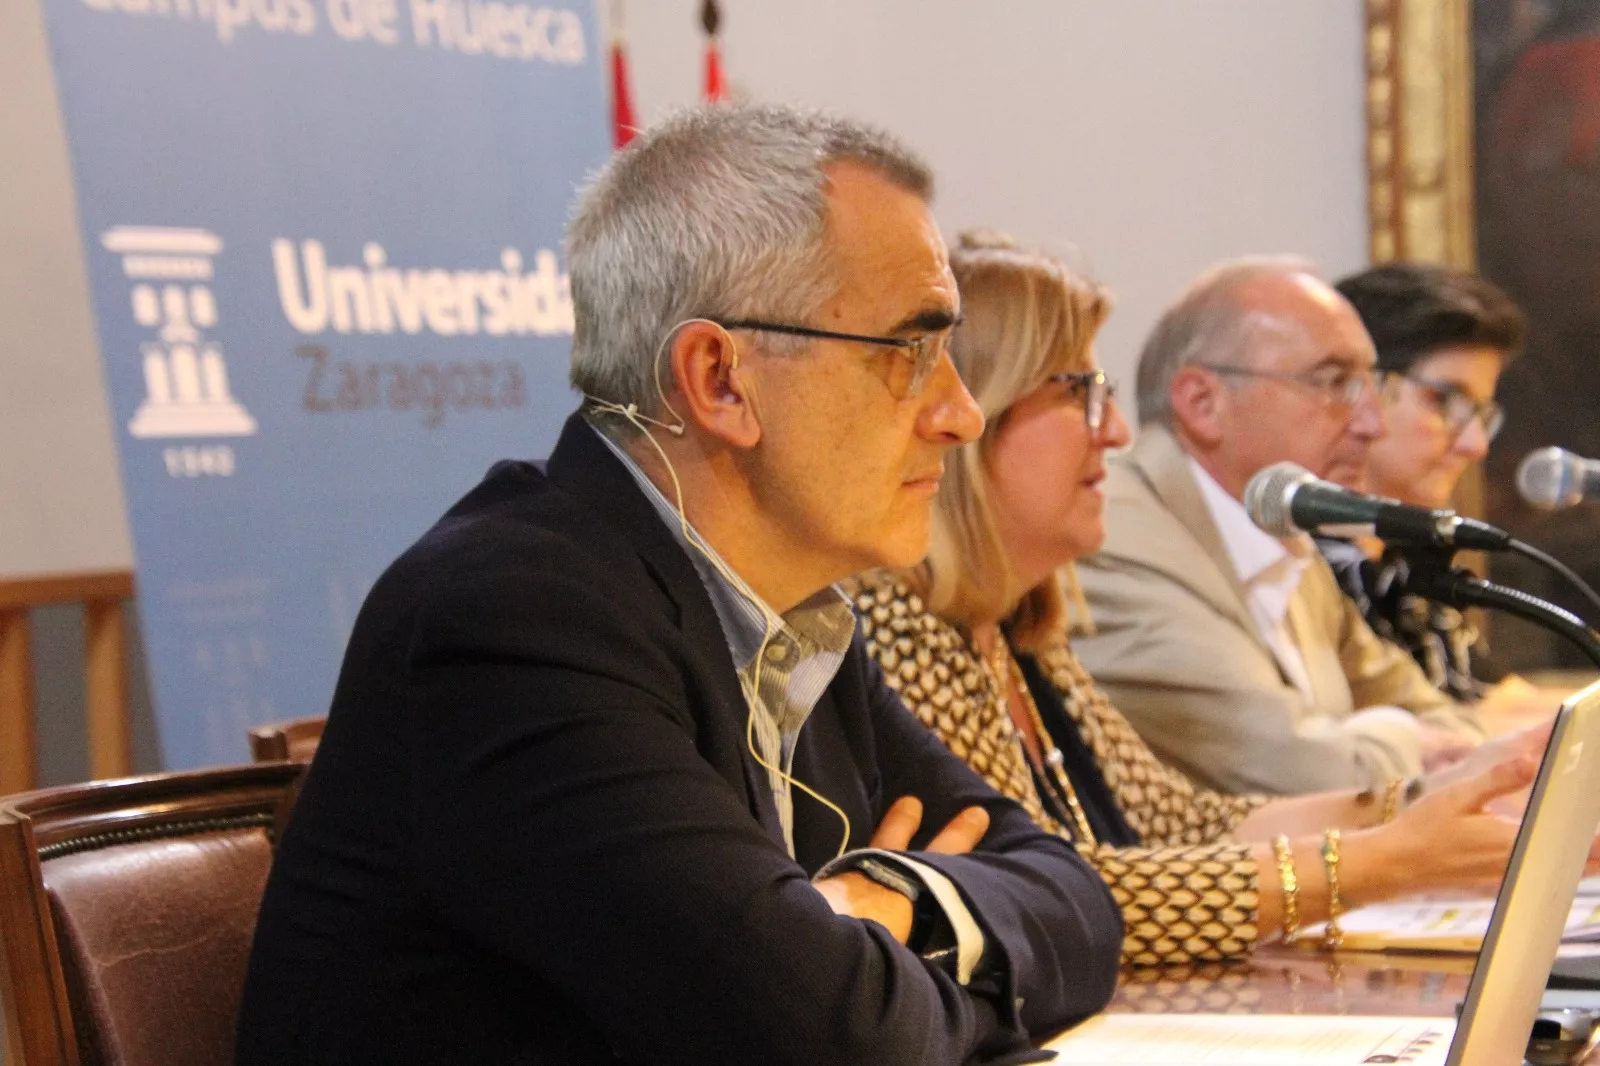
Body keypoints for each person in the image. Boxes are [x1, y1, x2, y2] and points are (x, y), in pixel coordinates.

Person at [235, 105, 1122, 1066]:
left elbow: (1076, 907)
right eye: (911, 351)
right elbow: (824, 1035)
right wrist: (916, 966)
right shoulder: (512, 621)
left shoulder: (799, 622)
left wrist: (889, 901)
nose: (959, 414)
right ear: (720, 380)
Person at [853, 233, 1563, 967]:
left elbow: (1181, 821)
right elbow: (1037, 896)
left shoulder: (1013, 624)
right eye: (1081, 395)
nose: (1118, 432)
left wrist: (1444, 792)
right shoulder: (895, 624)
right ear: (973, 415)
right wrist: (1391, 857)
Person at [1071, 258, 1484, 795]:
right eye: (1334, 382)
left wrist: (1372, 735)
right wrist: (1403, 737)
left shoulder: (1280, 534)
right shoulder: (1115, 537)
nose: (1371, 424)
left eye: (1370, 386)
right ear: (1202, 403)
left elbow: (1449, 724)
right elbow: (1309, 777)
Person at [1318, 262, 1526, 703]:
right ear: (1359, 386)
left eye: (1482, 414)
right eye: (1444, 400)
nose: (1474, 445)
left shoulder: (1404, 559)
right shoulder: (1302, 564)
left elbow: (1502, 702)